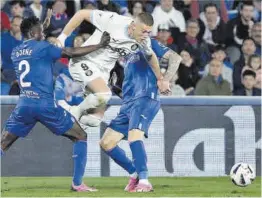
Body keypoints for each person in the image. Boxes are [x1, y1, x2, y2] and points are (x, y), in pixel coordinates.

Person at [1, 16, 110, 192]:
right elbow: (71, 52)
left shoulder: (16, 51)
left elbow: (32, 41)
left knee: (3, 143)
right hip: (45, 105)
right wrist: (99, 45)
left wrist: (40, 27)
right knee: (81, 135)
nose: (43, 33)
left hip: (24, 105)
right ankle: (77, 184)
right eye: (41, 30)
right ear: (33, 32)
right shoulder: (43, 47)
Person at [57, 10, 170, 128]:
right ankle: (70, 110)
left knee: (93, 121)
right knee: (104, 93)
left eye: (148, 32)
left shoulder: (144, 41)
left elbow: (151, 57)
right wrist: (62, 37)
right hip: (84, 61)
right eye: (143, 31)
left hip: (103, 72)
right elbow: (82, 14)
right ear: (133, 26)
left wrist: (160, 79)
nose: (146, 35)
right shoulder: (113, 21)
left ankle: (74, 110)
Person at [101, 38, 181, 192]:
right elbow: (129, 87)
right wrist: (114, 88)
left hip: (145, 97)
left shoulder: (148, 43)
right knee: (106, 143)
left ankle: (144, 181)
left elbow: (175, 58)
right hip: (128, 103)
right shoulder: (126, 56)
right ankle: (135, 173)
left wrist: (165, 80)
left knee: (134, 137)